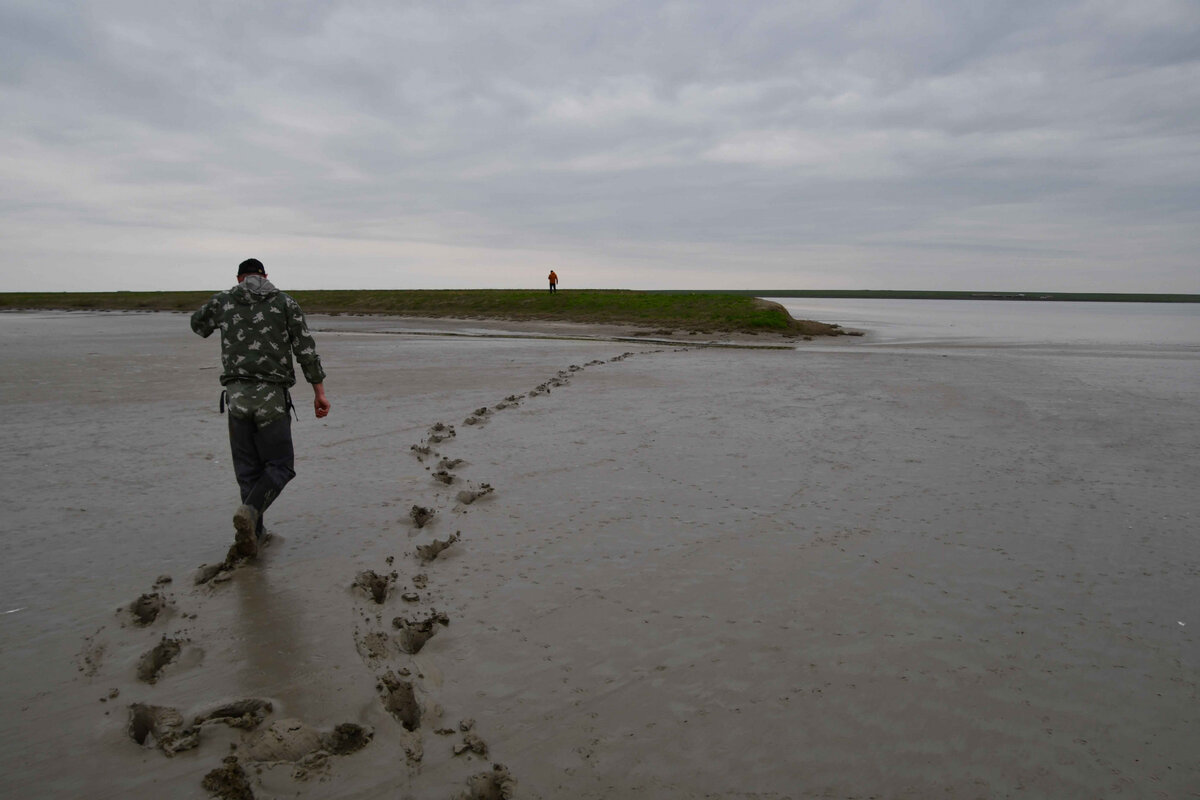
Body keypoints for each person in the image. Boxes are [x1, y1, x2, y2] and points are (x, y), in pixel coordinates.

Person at [190, 258, 330, 559]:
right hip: (271, 399)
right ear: (265, 276)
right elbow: (305, 349)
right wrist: (319, 392)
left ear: (240, 278)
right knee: (280, 466)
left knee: (247, 472)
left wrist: (224, 308)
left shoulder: (225, 300)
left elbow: (197, 325)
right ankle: (252, 518)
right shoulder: (285, 303)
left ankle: (253, 528)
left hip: (237, 399)